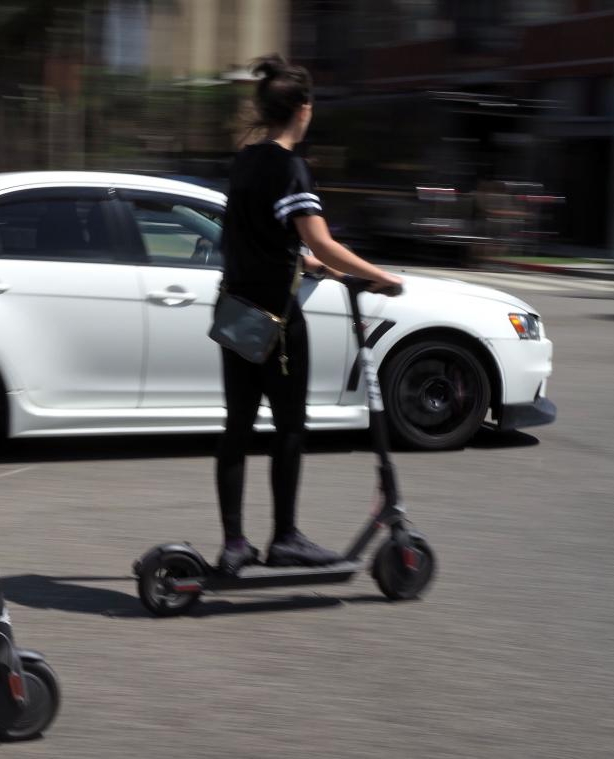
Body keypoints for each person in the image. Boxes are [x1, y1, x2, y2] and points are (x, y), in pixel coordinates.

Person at [214, 53, 402, 574]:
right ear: (302, 108)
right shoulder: (289, 166)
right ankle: (286, 538)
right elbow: (318, 235)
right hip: (276, 320)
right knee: (290, 426)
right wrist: (381, 276)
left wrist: (314, 265)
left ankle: (234, 544)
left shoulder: (247, 159)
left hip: (235, 311)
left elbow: (264, 236)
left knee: (237, 427)